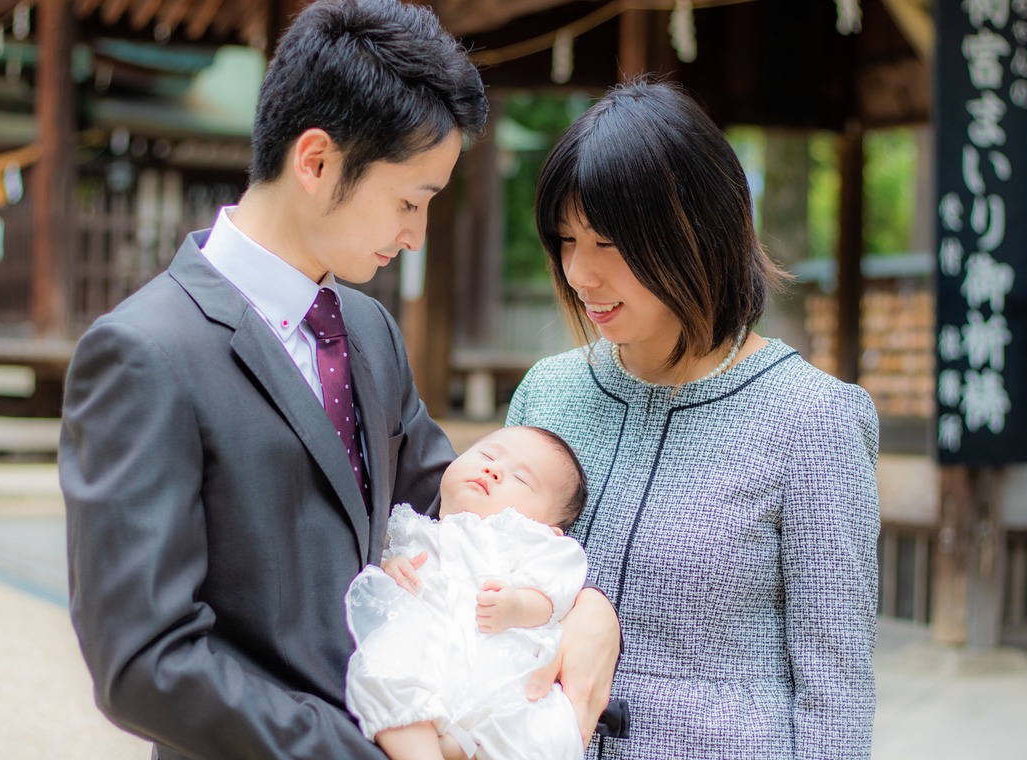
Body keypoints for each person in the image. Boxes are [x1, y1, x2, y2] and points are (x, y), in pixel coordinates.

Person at [58, 2, 618, 758]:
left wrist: (584, 608)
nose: (416, 234)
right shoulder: (143, 352)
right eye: (409, 201)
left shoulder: (367, 332)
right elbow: (145, 662)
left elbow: (457, 505)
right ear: (316, 162)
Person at [505, 79, 880, 759]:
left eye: (608, 242)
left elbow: (836, 691)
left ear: (696, 230)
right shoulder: (546, 395)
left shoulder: (811, 421)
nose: (579, 273)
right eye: (565, 239)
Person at [345, 425, 590, 760]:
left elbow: (554, 593)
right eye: (486, 455)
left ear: (547, 525)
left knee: (542, 731)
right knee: (381, 676)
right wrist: (392, 569)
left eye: (521, 479)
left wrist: (518, 605)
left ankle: (460, 746)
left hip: (495, 670)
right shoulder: (414, 528)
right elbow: (379, 579)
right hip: (423, 653)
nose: (492, 469)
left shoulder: (534, 540)